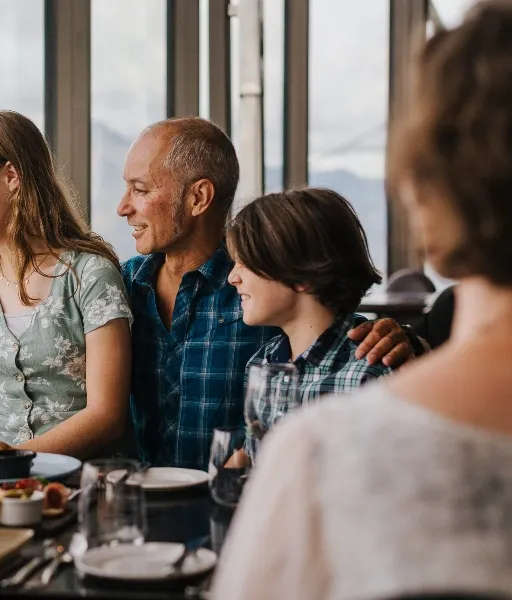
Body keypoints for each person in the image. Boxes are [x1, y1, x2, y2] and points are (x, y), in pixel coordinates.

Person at [213, 2, 512, 597]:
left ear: (427, 189)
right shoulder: (268, 369)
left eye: (247, 264)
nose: (232, 279)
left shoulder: (332, 441)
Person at [116, 117, 418, 470]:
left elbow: (328, 329)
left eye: (140, 189)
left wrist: (409, 343)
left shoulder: (267, 288)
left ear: (198, 197)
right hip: (143, 500)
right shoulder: (122, 286)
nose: (122, 207)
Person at [0, 111, 132, 459]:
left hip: (79, 488)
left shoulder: (91, 276)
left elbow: (106, 416)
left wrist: (4, 464)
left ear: (10, 176)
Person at [227, 187, 392, 438]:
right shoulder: (262, 364)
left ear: (301, 273)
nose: (232, 277)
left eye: (245, 263)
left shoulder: (371, 375)